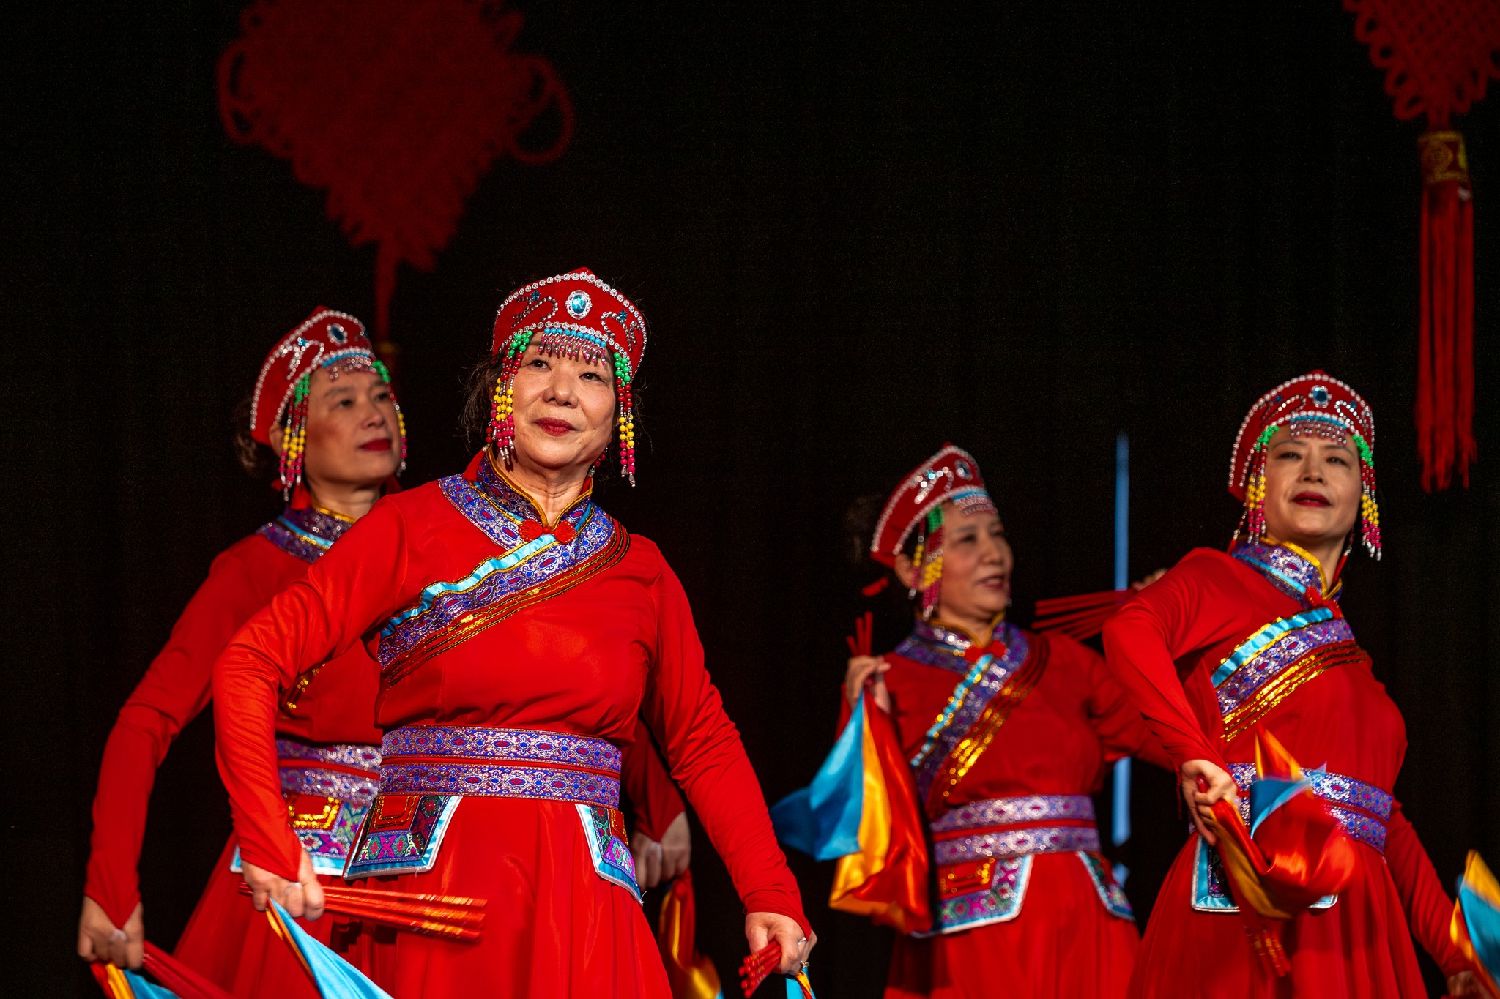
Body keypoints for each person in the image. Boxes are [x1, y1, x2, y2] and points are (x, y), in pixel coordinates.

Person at [213, 268, 814, 996]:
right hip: (436, 895)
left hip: (586, 903)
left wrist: (770, 890)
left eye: (591, 375)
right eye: (539, 364)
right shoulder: (407, 527)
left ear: (618, 412)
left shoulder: (642, 571)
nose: (562, 391)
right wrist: (267, 837)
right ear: (500, 385)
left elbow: (700, 738)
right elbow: (250, 661)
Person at [1102, 371, 1480, 996]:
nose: (1312, 471)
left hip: (1359, 914)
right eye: (1289, 455)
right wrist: (1194, 755)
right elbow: (1130, 629)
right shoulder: (1218, 577)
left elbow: (1384, 818)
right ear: (1259, 484)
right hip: (1256, 891)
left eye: (1336, 459)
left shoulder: (1355, 662)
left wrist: (1456, 954)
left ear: (1364, 496)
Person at [76, 309, 406, 993]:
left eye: (380, 395)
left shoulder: (444, 546)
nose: (373, 413)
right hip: (304, 884)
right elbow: (145, 722)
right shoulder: (254, 572)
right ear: (290, 439)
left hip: (434, 862)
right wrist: (110, 882)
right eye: (343, 401)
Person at [840, 445, 1167, 998]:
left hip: (1088, 923)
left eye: (998, 535)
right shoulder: (887, 680)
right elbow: (864, 834)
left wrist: (1164, 640)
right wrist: (861, 726)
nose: (994, 554)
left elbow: (1179, 744)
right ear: (913, 569)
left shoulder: (1067, 662)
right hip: (970, 937)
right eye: (968, 540)